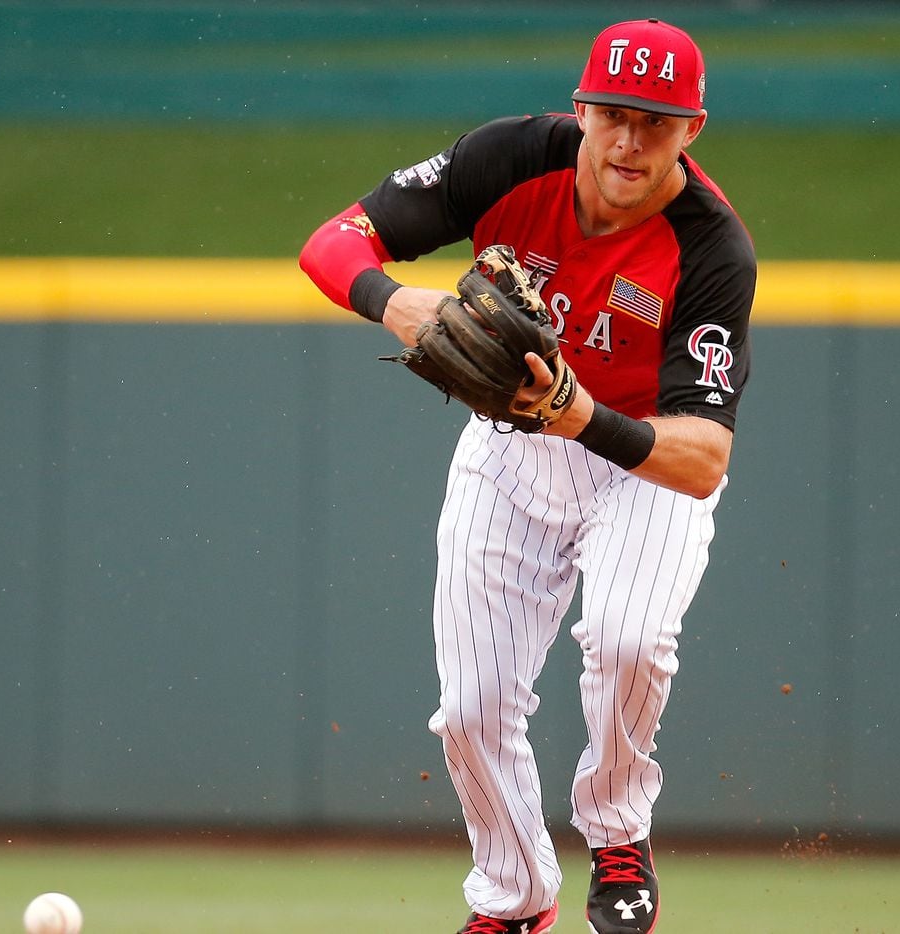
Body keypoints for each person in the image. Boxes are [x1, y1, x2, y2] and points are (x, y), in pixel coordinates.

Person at [298, 18, 755, 934]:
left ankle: (618, 829)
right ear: (581, 107)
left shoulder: (710, 246)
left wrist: (580, 416)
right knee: (471, 706)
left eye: (656, 123)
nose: (629, 141)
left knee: (627, 640)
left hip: (641, 458)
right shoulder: (509, 159)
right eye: (615, 114)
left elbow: (702, 459)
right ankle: (514, 901)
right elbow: (332, 243)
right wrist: (393, 303)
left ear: (692, 130)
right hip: (510, 447)